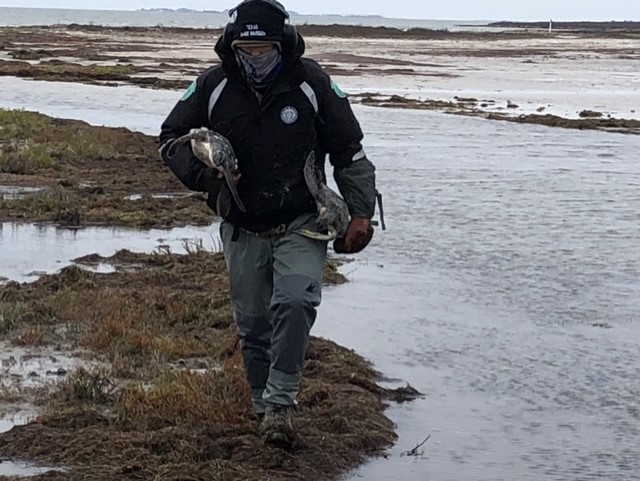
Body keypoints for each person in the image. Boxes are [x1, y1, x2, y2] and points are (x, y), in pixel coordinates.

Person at [158, 0, 377, 448]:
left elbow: (349, 151)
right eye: (247, 50)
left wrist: (360, 213)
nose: (256, 59)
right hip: (242, 223)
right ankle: (262, 405)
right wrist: (206, 180)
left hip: (303, 219)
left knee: (294, 303)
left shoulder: (313, 84)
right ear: (233, 47)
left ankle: (280, 406)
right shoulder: (212, 85)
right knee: (254, 325)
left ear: (284, 45)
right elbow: (170, 141)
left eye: (266, 50)